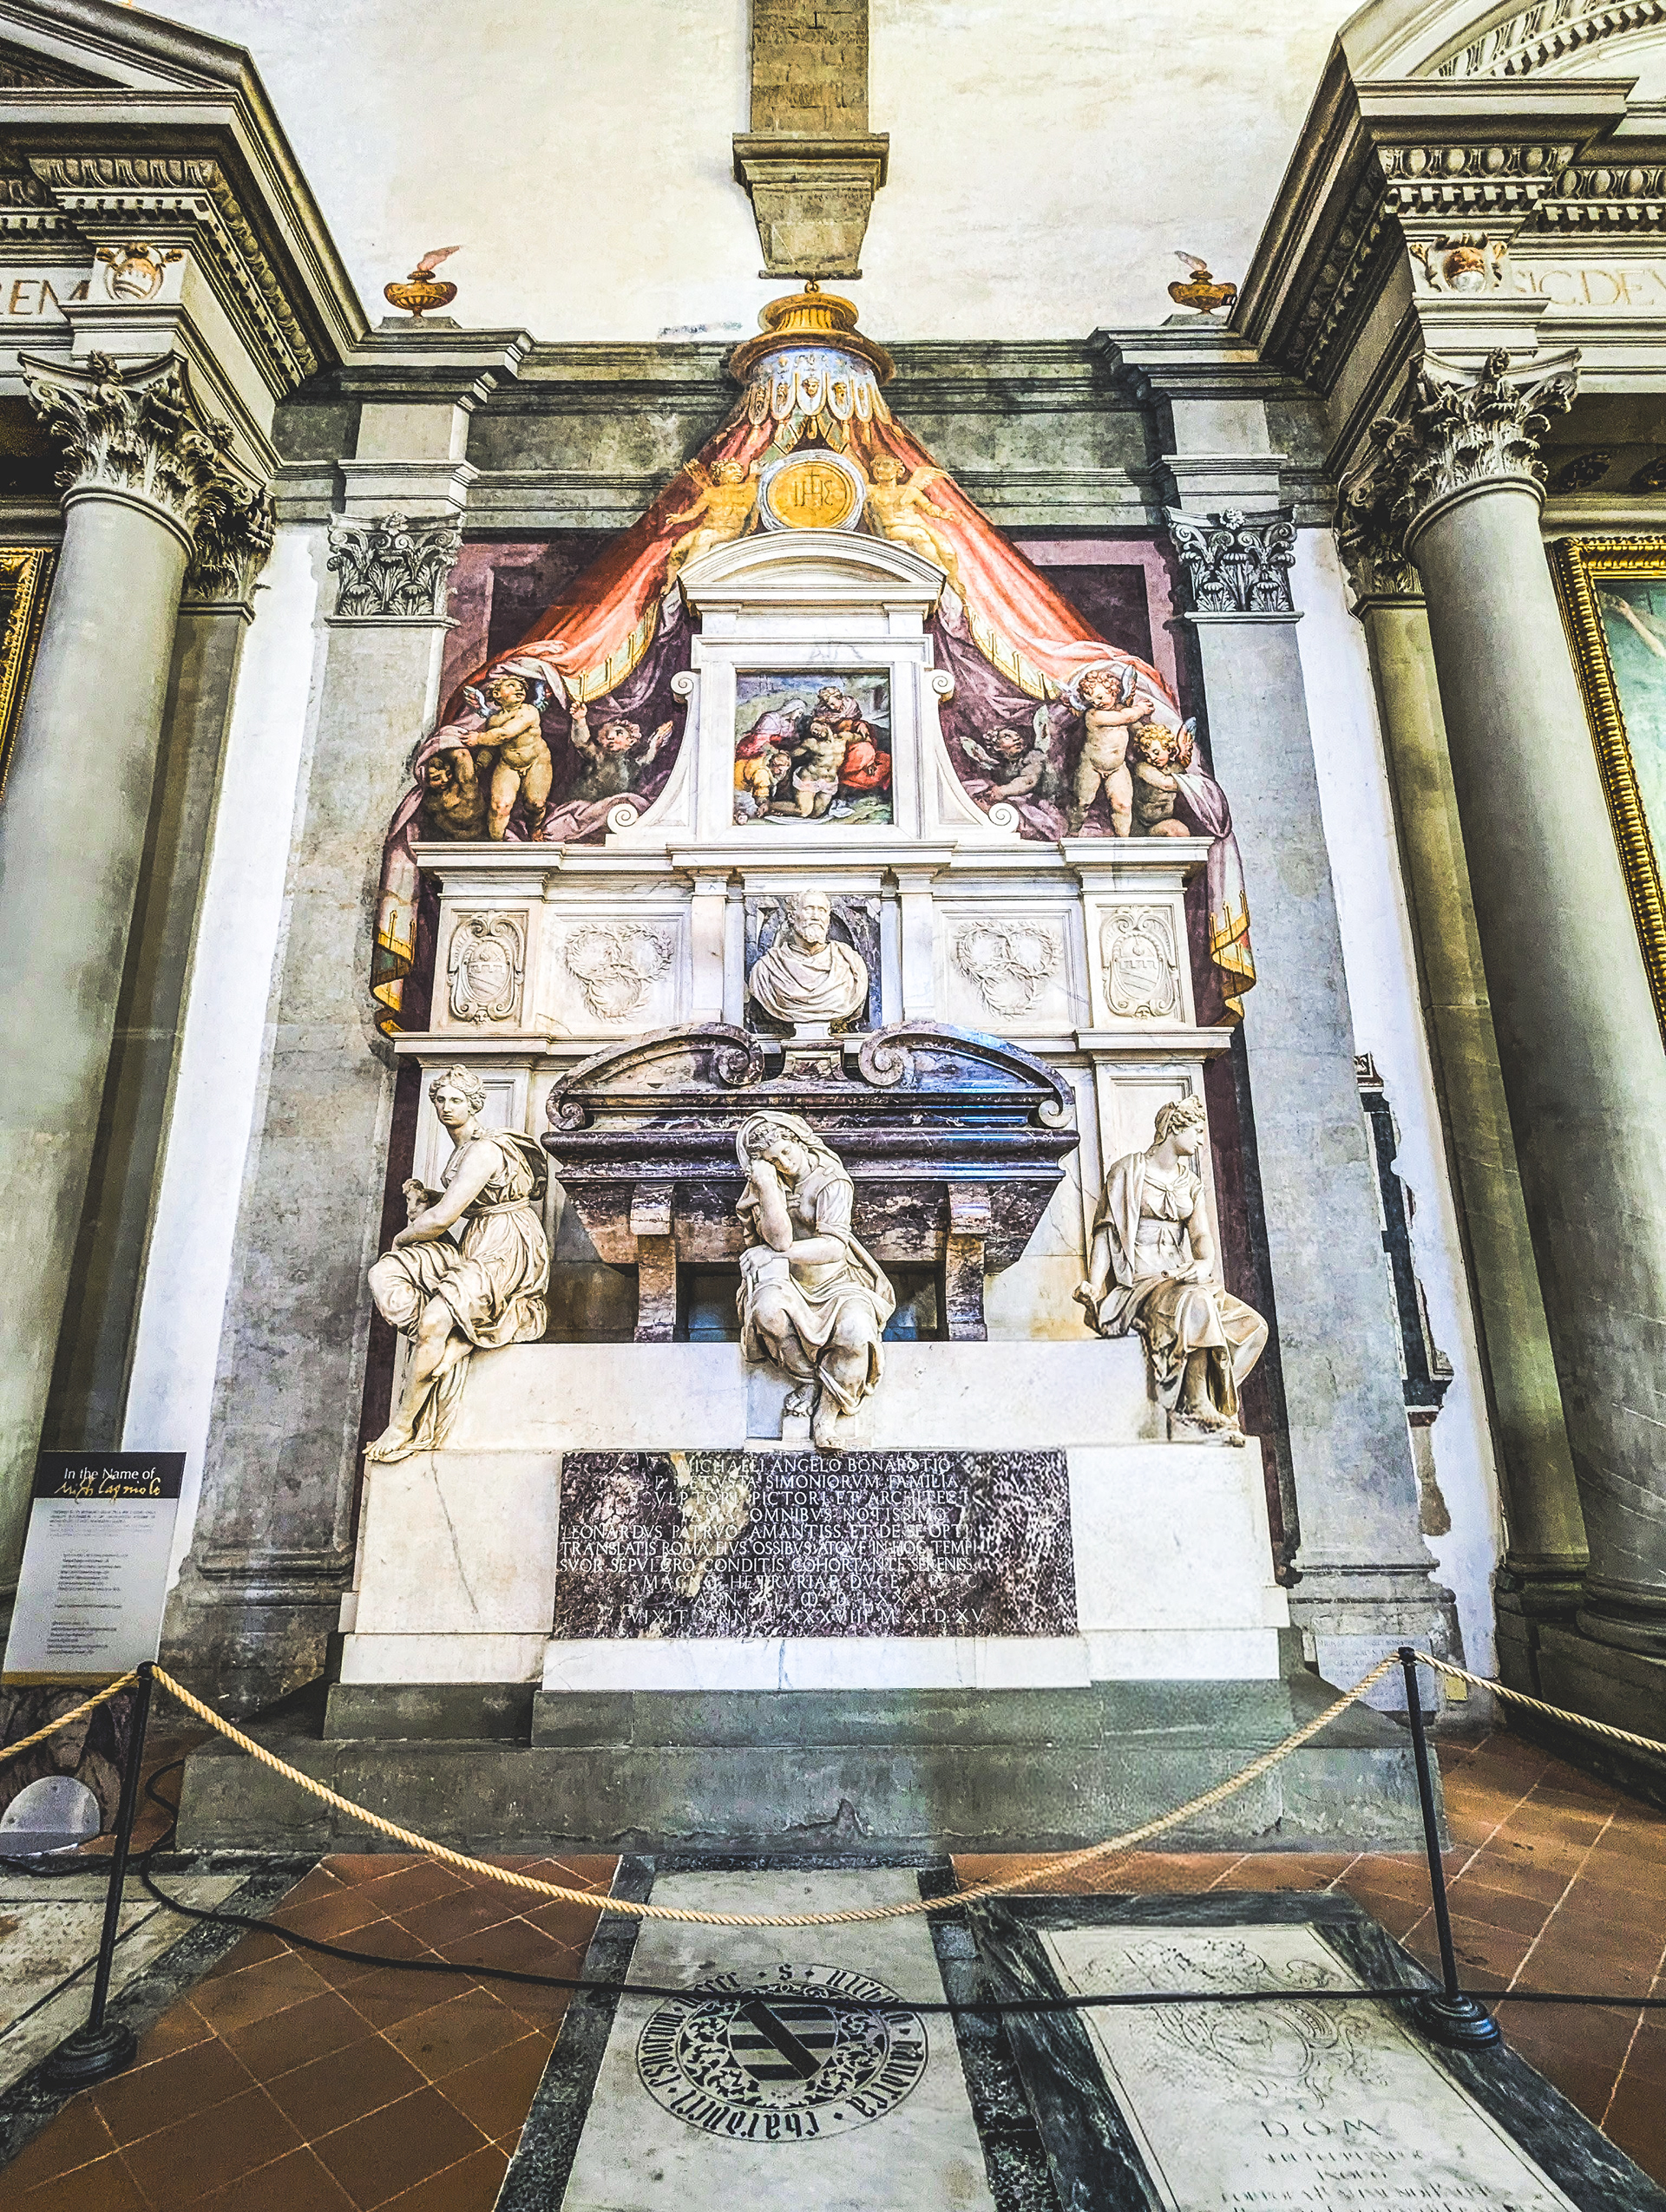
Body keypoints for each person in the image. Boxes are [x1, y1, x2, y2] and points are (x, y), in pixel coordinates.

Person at [364, 1067, 550, 1462]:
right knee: (385, 1273)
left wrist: (400, 1238)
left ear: (474, 1104)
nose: (447, 1108)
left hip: (507, 1246)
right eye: (441, 1100)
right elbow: (466, 1203)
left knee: (432, 1314)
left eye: (457, 1100)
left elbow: (444, 1219)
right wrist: (426, 1196)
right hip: (481, 1238)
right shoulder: (464, 1148)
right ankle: (445, 1345)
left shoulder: (484, 1149)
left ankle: (402, 1423)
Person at [1074, 1095, 1266, 1440]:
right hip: (1140, 1284)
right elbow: (1105, 1232)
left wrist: (1204, 1262)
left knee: (1254, 1327)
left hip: (1181, 1277)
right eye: (1196, 1130)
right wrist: (1092, 1283)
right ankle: (1192, 1411)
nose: (1201, 1139)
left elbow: (1201, 1234)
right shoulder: (1128, 1172)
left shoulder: (1190, 1184)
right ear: (1174, 1129)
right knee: (1196, 1303)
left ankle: (1206, 1395)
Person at [735, 1111, 895, 1452]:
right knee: (767, 1312)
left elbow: (835, 1248)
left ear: (798, 1140)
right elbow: (778, 1240)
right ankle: (807, 1380)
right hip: (787, 1281)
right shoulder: (768, 1181)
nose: (784, 1163)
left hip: (838, 1280)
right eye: (772, 1160)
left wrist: (777, 1256)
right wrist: (765, 1184)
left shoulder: (831, 1180)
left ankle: (826, 1414)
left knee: (856, 1330)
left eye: (786, 1152)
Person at [746, 888, 869, 1030]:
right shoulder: (767, 969)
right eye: (809, 909)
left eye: (822, 910)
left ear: (828, 920)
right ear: (792, 917)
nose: (816, 916)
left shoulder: (850, 963)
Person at [465, 672, 553, 840]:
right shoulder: (493, 721)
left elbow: (506, 734)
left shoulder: (529, 711)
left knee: (536, 804)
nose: (518, 689)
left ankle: (534, 830)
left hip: (536, 761)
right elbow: (491, 748)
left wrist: (478, 738)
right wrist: (480, 765)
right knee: (500, 807)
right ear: (497, 694)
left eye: (521, 687)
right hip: (508, 765)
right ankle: (495, 843)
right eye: (511, 685)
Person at [1068, 664, 1150, 836]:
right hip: (1091, 766)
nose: (1097, 703)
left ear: (1112, 689)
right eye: (1092, 701)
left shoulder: (1122, 709)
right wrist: (1140, 709)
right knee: (1082, 802)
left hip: (1117, 767)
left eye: (1100, 697)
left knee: (1123, 805)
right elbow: (1124, 717)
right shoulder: (1094, 715)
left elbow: (1136, 728)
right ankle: (1073, 833)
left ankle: (1123, 841)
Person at [866, 455, 962, 590]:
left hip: (919, 525)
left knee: (947, 550)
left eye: (885, 465)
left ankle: (953, 581)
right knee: (921, 537)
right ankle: (941, 575)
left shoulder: (910, 491)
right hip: (894, 529)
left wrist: (942, 513)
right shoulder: (871, 491)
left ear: (898, 471)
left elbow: (928, 507)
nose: (880, 469)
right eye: (876, 465)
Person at [664, 457, 758, 580]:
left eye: (739, 469)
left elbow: (753, 483)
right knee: (679, 549)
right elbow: (695, 511)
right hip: (707, 528)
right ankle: (670, 583)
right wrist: (679, 518)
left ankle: (688, 579)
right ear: (720, 475)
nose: (738, 471)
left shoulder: (747, 490)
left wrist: (753, 472)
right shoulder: (710, 493)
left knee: (703, 537)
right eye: (732, 468)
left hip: (728, 531)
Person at [567, 700, 673, 804]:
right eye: (606, 736)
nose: (610, 737)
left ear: (631, 741)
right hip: (586, 803)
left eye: (619, 733)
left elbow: (647, 758)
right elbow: (582, 743)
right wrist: (580, 720)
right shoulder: (598, 755)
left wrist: (656, 738)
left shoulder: (630, 765)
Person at [1129, 718, 1198, 837]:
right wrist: (1196, 784)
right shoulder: (1143, 768)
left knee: (1180, 831)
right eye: (1147, 755)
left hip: (1164, 820)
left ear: (1168, 748)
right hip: (1143, 826)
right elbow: (1165, 783)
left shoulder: (1176, 768)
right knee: (1176, 830)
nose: (1152, 758)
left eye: (1156, 752)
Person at [419, 745, 488, 839]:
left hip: (480, 841)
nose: (445, 780)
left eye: (448, 773)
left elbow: (463, 754)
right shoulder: (427, 801)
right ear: (426, 781)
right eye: (436, 778)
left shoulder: (465, 786)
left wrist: (433, 750)